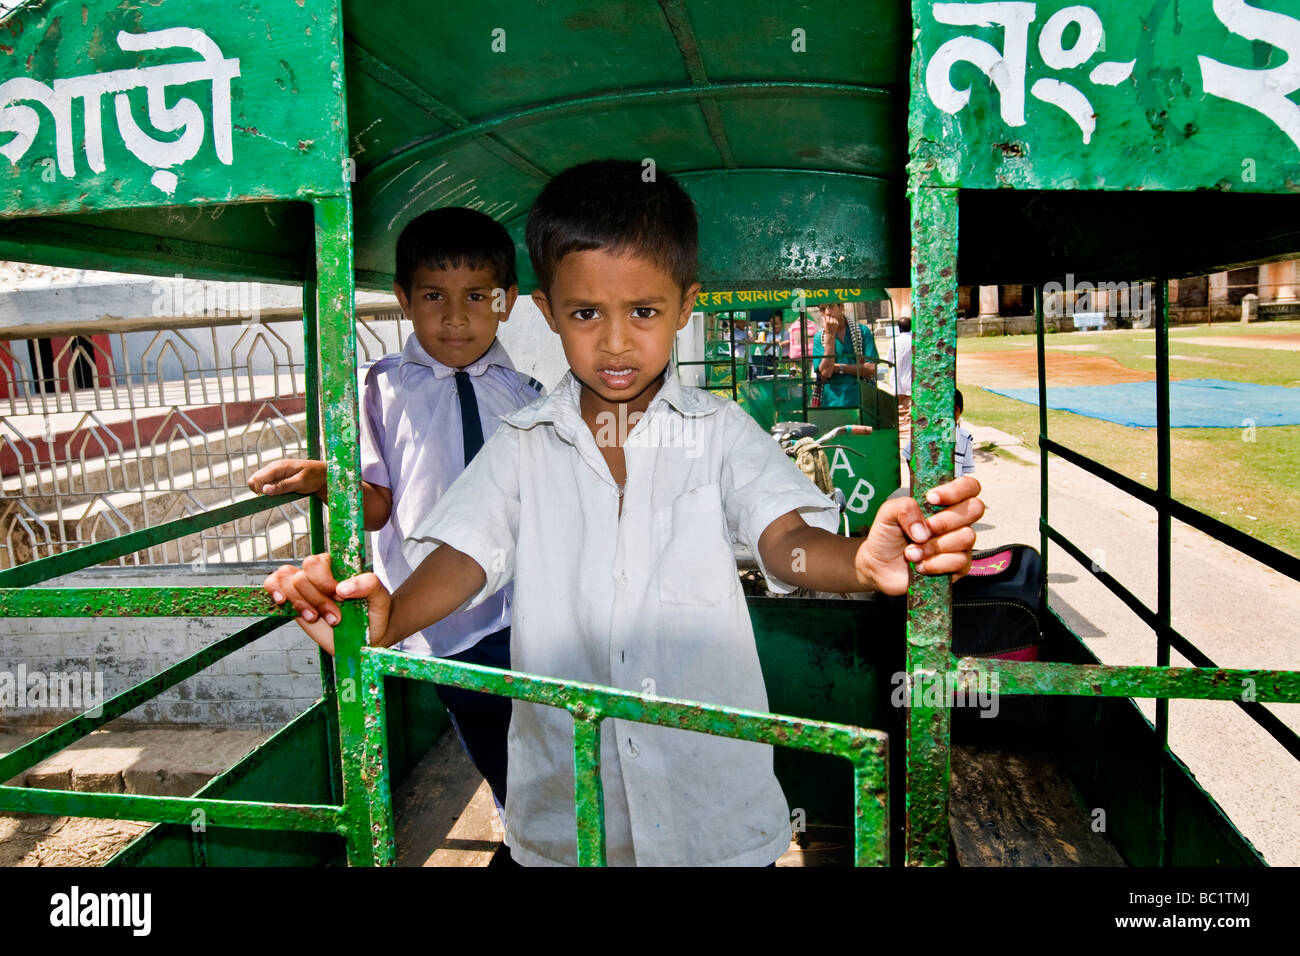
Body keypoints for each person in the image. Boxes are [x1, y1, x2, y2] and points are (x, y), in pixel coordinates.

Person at [264, 159, 984, 867]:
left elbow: (784, 540)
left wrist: (860, 561)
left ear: (684, 306)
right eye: (585, 314)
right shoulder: (523, 442)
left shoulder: (720, 431)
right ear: (547, 314)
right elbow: (466, 557)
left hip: (712, 813)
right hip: (569, 817)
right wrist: (395, 617)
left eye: (643, 312)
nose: (614, 342)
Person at [247, 206, 541, 816]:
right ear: (404, 299)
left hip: (531, 608)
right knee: (497, 743)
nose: (456, 316)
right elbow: (377, 508)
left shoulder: (528, 396)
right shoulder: (379, 389)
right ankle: (531, 835)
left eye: (477, 296)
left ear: (506, 300)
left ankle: (542, 835)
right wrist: (330, 479)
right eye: (434, 295)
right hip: (446, 621)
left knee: (547, 740)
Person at [812, 301, 880, 407]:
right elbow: (826, 372)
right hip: (831, 401)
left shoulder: (862, 332)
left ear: (841, 307)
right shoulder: (819, 337)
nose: (827, 312)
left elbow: (871, 369)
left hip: (860, 398)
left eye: (830, 306)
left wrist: (839, 367)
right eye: (823, 309)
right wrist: (830, 336)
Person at [885, 316, 913, 445]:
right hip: (911, 378)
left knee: (899, 408)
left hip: (897, 379)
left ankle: (901, 432)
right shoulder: (915, 341)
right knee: (909, 408)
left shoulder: (894, 341)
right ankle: (908, 433)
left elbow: (889, 361)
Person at [955, 388, 975, 476]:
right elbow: (908, 453)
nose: (949, 413)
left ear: (961, 411)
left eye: (955, 409)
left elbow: (967, 469)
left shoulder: (966, 439)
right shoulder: (926, 433)